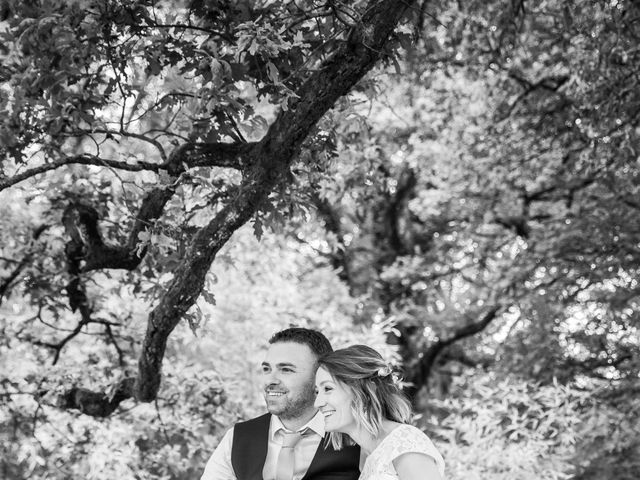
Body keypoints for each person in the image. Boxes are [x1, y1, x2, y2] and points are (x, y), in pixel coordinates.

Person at [201, 327, 360, 480]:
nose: (270, 380)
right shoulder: (237, 438)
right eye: (266, 369)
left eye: (286, 370)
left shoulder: (355, 436)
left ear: (320, 376)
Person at [314, 345, 445, 480]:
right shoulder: (363, 457)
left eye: (328, 388)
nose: (317, 403)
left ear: (366, 390)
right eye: (317, 392)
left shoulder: (404, 442)